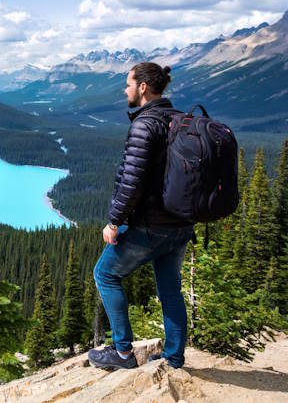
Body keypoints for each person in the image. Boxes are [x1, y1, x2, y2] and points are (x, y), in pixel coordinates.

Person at [88, 62, 195, 371]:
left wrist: (113, 222)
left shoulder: (145, 124)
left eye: (128, 84)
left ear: (143, 87)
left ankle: (122, 353)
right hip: (180, 225)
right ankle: (173, 358)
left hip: (150, 226)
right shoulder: (179, 119)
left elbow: (131, 181)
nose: (125, 90)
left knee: (105, 274)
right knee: (171, 290)